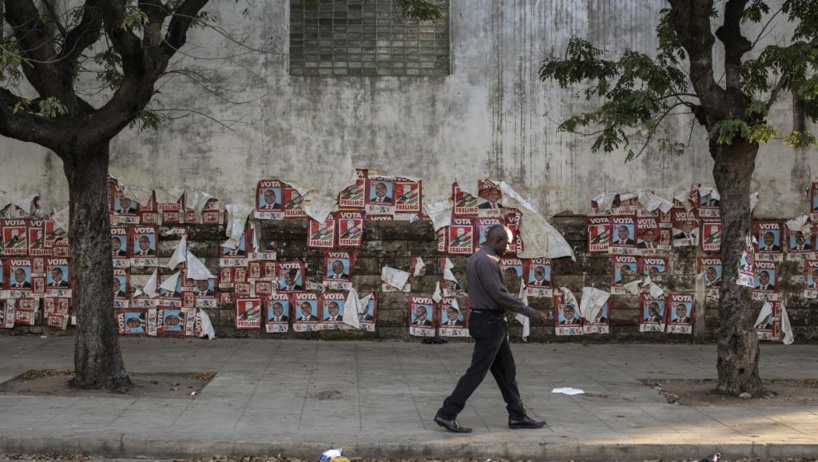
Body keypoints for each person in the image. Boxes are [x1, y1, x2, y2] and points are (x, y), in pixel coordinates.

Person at [434, 225, 547, 434]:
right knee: (477, 371)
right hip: (489, 323)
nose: (508, 249)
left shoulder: (476, 258)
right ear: (497, 240)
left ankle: (517, 415)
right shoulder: (487, 262)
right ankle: (447, 413)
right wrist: (528, 311)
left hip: (488, 321)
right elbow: (498, 295)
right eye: (507, 244)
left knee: (506, 371)